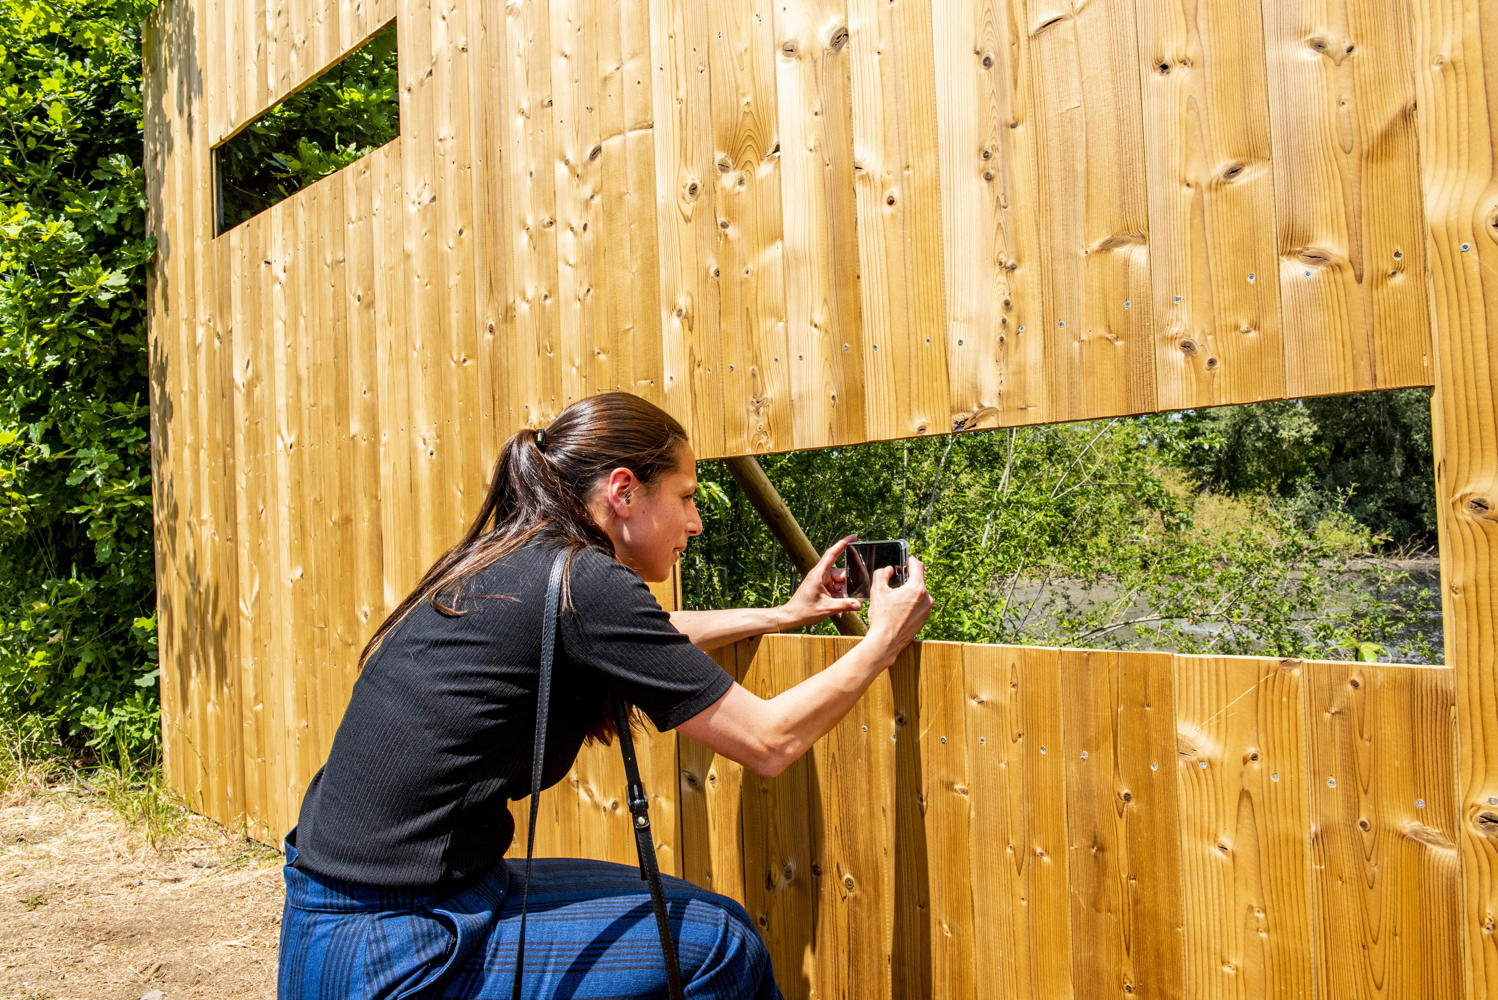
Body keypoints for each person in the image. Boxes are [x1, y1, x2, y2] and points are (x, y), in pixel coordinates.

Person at [277, 392, 932, 999]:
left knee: (711, 922)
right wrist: (883, 639)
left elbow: (650, 635)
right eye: (685, 496)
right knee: (721, 945)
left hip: (339, 914)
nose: (697, 522)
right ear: (624, 491)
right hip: (398, 946)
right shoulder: (582, 583)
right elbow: (767, 740)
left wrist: (781, 615)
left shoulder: (519, 557)